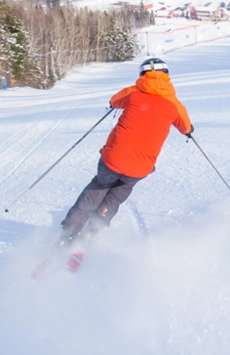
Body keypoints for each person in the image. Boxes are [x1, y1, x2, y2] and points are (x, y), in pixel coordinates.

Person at [59, 57, 192, 246]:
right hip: (140, 168)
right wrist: (188, 131)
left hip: (112, 159)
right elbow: (186, 127)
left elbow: (114, 101)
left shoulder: (133, 92)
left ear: (142, 74)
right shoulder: (174, 103)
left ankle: (69, 233)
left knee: (97, 189)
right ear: (167, 75)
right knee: (114, 197)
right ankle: (91, 232)